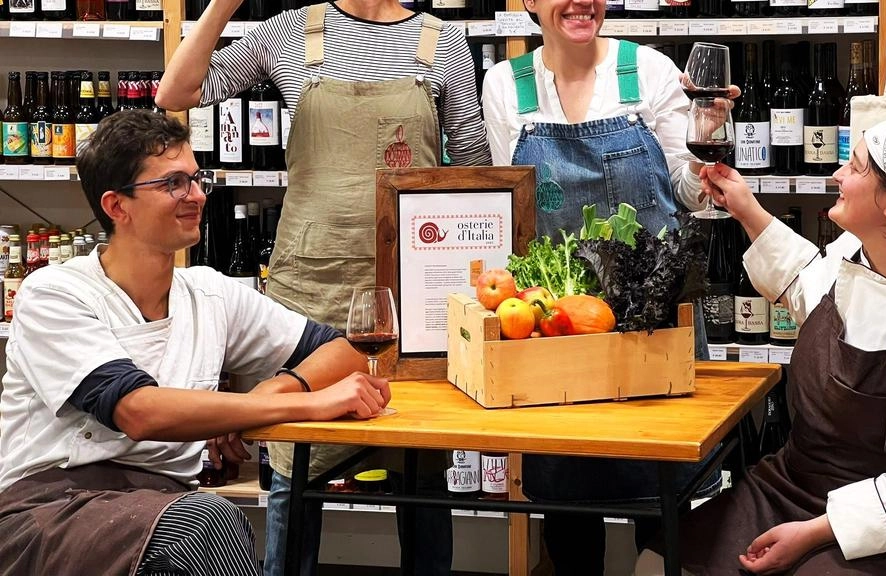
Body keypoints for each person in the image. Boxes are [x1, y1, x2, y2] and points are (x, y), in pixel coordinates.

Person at [158, 1, 491, 574]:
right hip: (310, 289)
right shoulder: (289, 30)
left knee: (422, 476)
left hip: (413, 297)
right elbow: (176, 93)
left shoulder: (446, 42)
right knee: (293, 469)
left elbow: (476, 171)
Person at [0, 110, 391, 576]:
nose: (198, 195)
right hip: (49, 508)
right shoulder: (54, 293)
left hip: (162, 505)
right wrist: (311, 404)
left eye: (196, 177)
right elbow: (139, 412)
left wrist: (272, 392)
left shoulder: (209, 293)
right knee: (209, 522)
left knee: (202, 525)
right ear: (116, 206)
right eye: (173, 184)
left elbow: (345, 350)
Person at [635, 115, 886, 575]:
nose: (837, 174)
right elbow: (806, 282)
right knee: (659, 561)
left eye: (855, 167)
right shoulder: (858, 254)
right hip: (791, 484)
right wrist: (745, 209)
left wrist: (816, 531)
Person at [480, 1, 738, 573]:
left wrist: (707, 134)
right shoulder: (503, 84)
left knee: (668, 516)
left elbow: (692, 198)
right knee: (569, 519)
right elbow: (513, 218)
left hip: (654, 334)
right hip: (560, 338)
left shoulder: (648, 71)